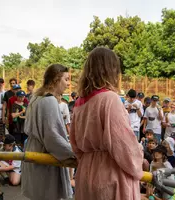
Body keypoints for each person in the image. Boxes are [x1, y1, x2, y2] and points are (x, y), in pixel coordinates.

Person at [70, 47, 143, 200]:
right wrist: (139, 159)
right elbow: (124, 146)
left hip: (86, 172)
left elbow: (75, 144)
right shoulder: (110, 99)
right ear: (111, 70)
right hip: (110, 174)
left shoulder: (80, 103)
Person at [22, 64, 75, 200]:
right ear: (56, 79)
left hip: (33, 151)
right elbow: (53, 139)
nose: (68, 84)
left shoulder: (36, 97)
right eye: (66, 79)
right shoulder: (49, 101)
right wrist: (74, 153)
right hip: (44, 159)